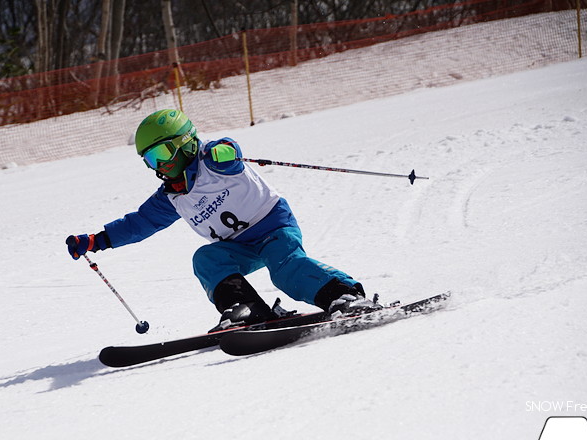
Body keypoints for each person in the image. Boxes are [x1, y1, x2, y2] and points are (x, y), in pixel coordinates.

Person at [66, 109, 378, 332]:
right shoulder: (172, 195)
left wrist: (224, 153)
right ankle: (247, 311)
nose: (158, 165)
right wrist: (98, 240)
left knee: (284, 270)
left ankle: (344, 295)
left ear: (185, 142)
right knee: (207, 259)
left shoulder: (212, 160)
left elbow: (229, 149)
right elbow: (140, 223)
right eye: (150, 159)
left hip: (273, 227)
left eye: (162, 153)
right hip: (236, 246)